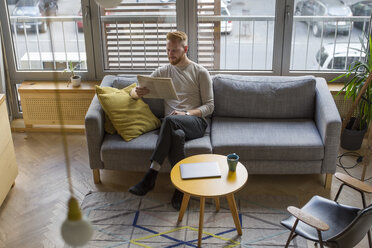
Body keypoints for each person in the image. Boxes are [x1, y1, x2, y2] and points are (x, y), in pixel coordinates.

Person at [128, 31, 214, 210]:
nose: (170, 54)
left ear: (185, 49)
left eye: (174, 50)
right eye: (167, 50)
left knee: (169, 121)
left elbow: (210, 106)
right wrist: (137, 92)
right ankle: (182, 189)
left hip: (195, 122)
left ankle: (151, 175)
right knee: (176, 133)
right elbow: (133, 92)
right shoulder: (163, 71)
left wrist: (187, 114)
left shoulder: (200, 72)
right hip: (172, 124)